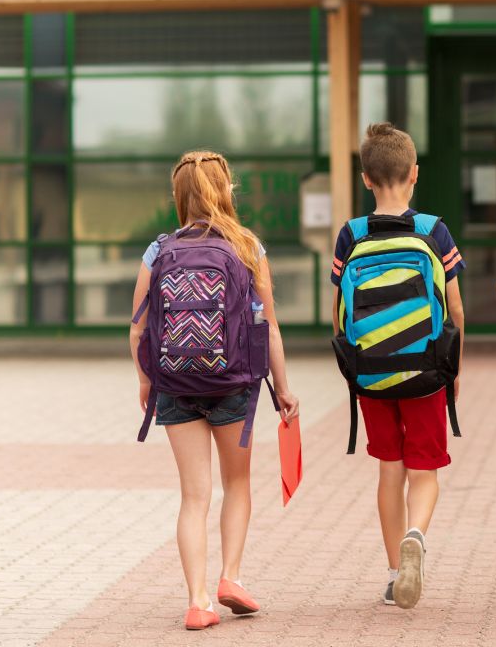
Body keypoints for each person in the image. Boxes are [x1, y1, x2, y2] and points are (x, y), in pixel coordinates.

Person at [129, 150, 300, 631]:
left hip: (175, 384)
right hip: (233, 384)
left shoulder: (159, 251)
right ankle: (231, 577)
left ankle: (198, 600)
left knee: (194, 496)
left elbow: (137, 329)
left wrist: (147, 380)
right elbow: (270, 327)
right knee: (238, 484)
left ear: (178, 196)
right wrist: (283, 389)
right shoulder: (247, 246)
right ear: (225, 191)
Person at [331, 123, 465, 609]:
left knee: (391, 468)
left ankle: (393, 574)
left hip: (371, 373)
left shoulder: (351, 234)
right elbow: (455, 308)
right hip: (426, 371)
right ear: (414, 175)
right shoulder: (432, 230)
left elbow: (339, 314)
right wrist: (453, 370)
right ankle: (416, 535)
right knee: (424, 470)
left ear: (366, 178)